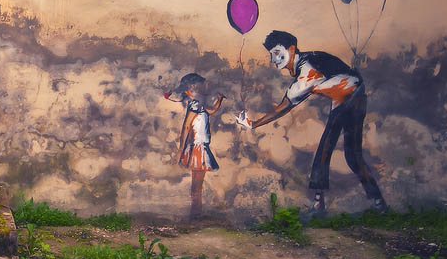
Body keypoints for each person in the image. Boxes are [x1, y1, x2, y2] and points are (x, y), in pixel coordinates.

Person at [234, 30, 388, 217]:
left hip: (348, 95)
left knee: (326, 148)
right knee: (351, 155)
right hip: (352, 94)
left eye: (276, 53)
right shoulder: (307, 63)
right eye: (271, 55)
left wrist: (253, 124)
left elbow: (285, 106)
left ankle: (319, 204)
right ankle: (378, 202)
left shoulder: (307, 69)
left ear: (291, 49)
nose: (273, 60)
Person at [164, 73, 225, 218]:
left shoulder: (198, 104)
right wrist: (181, 148)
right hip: (198, 147)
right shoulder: (195, 104)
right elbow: (186, 126)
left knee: (198, 182)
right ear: (190, 89)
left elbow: (211, 111)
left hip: (200, 146)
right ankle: (196, 212)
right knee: (197, 183)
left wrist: (219, 100)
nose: (201, 89)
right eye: (198, 86)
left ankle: (196, 211)